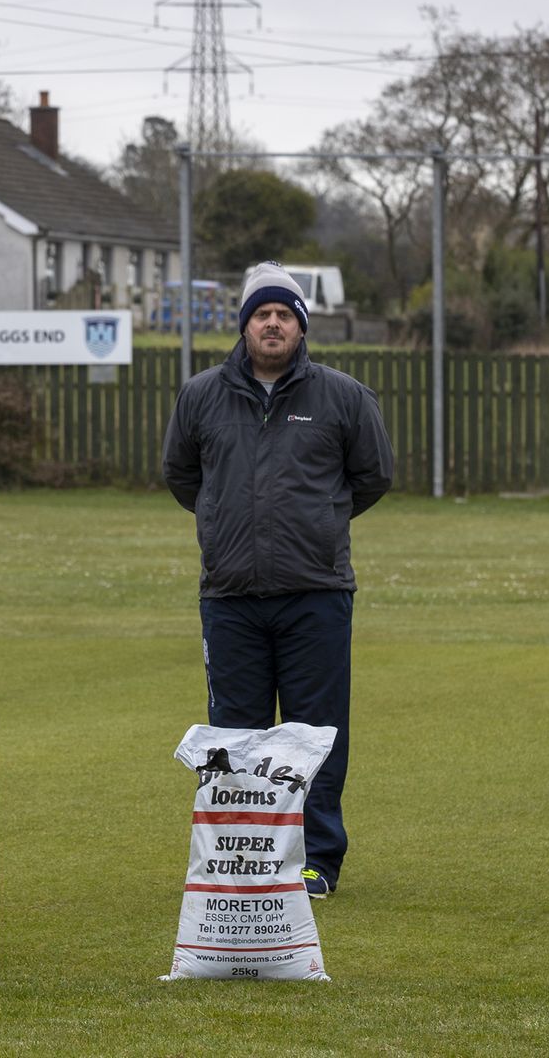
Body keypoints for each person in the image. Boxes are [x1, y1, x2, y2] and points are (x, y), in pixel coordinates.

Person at [162, 262, 394, 899]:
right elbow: (182, 477)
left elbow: (371, 478)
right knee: (234, 737)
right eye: (261, 313)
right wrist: (223, 518)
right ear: (244, 325)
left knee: (313, 734)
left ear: (301, 326)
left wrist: (319, 520)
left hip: (316, 593)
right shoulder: (202, 395)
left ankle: (316, 860)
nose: (272, 323)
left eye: (284, 314)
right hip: (230, 596)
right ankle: (243, 859)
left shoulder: (344, 397)